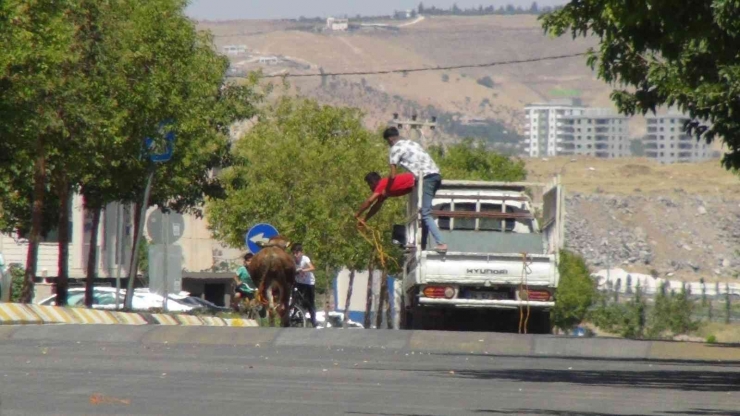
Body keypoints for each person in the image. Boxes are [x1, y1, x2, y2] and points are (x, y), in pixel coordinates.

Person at [382, 126, 447, 252]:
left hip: (427, 178)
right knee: (423, 212)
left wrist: (388, 190)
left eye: (387, 142)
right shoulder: (411, 143)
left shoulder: (395, 149)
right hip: (436, 176)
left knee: (425, 212)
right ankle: (422, 245)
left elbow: (393, 175)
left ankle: (441, 243)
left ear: (390, 139)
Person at [292, 243, 318, 327]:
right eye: (294, 253)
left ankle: (313, 320)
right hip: (299, 282)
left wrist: (303, 270)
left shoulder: (305, 259)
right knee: (295, 298)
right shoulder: (292, 261)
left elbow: (312, 268)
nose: (295, 255)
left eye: (297, 253)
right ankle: (297, 314)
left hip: (309, 283)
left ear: (301, 253)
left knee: (309, 302)